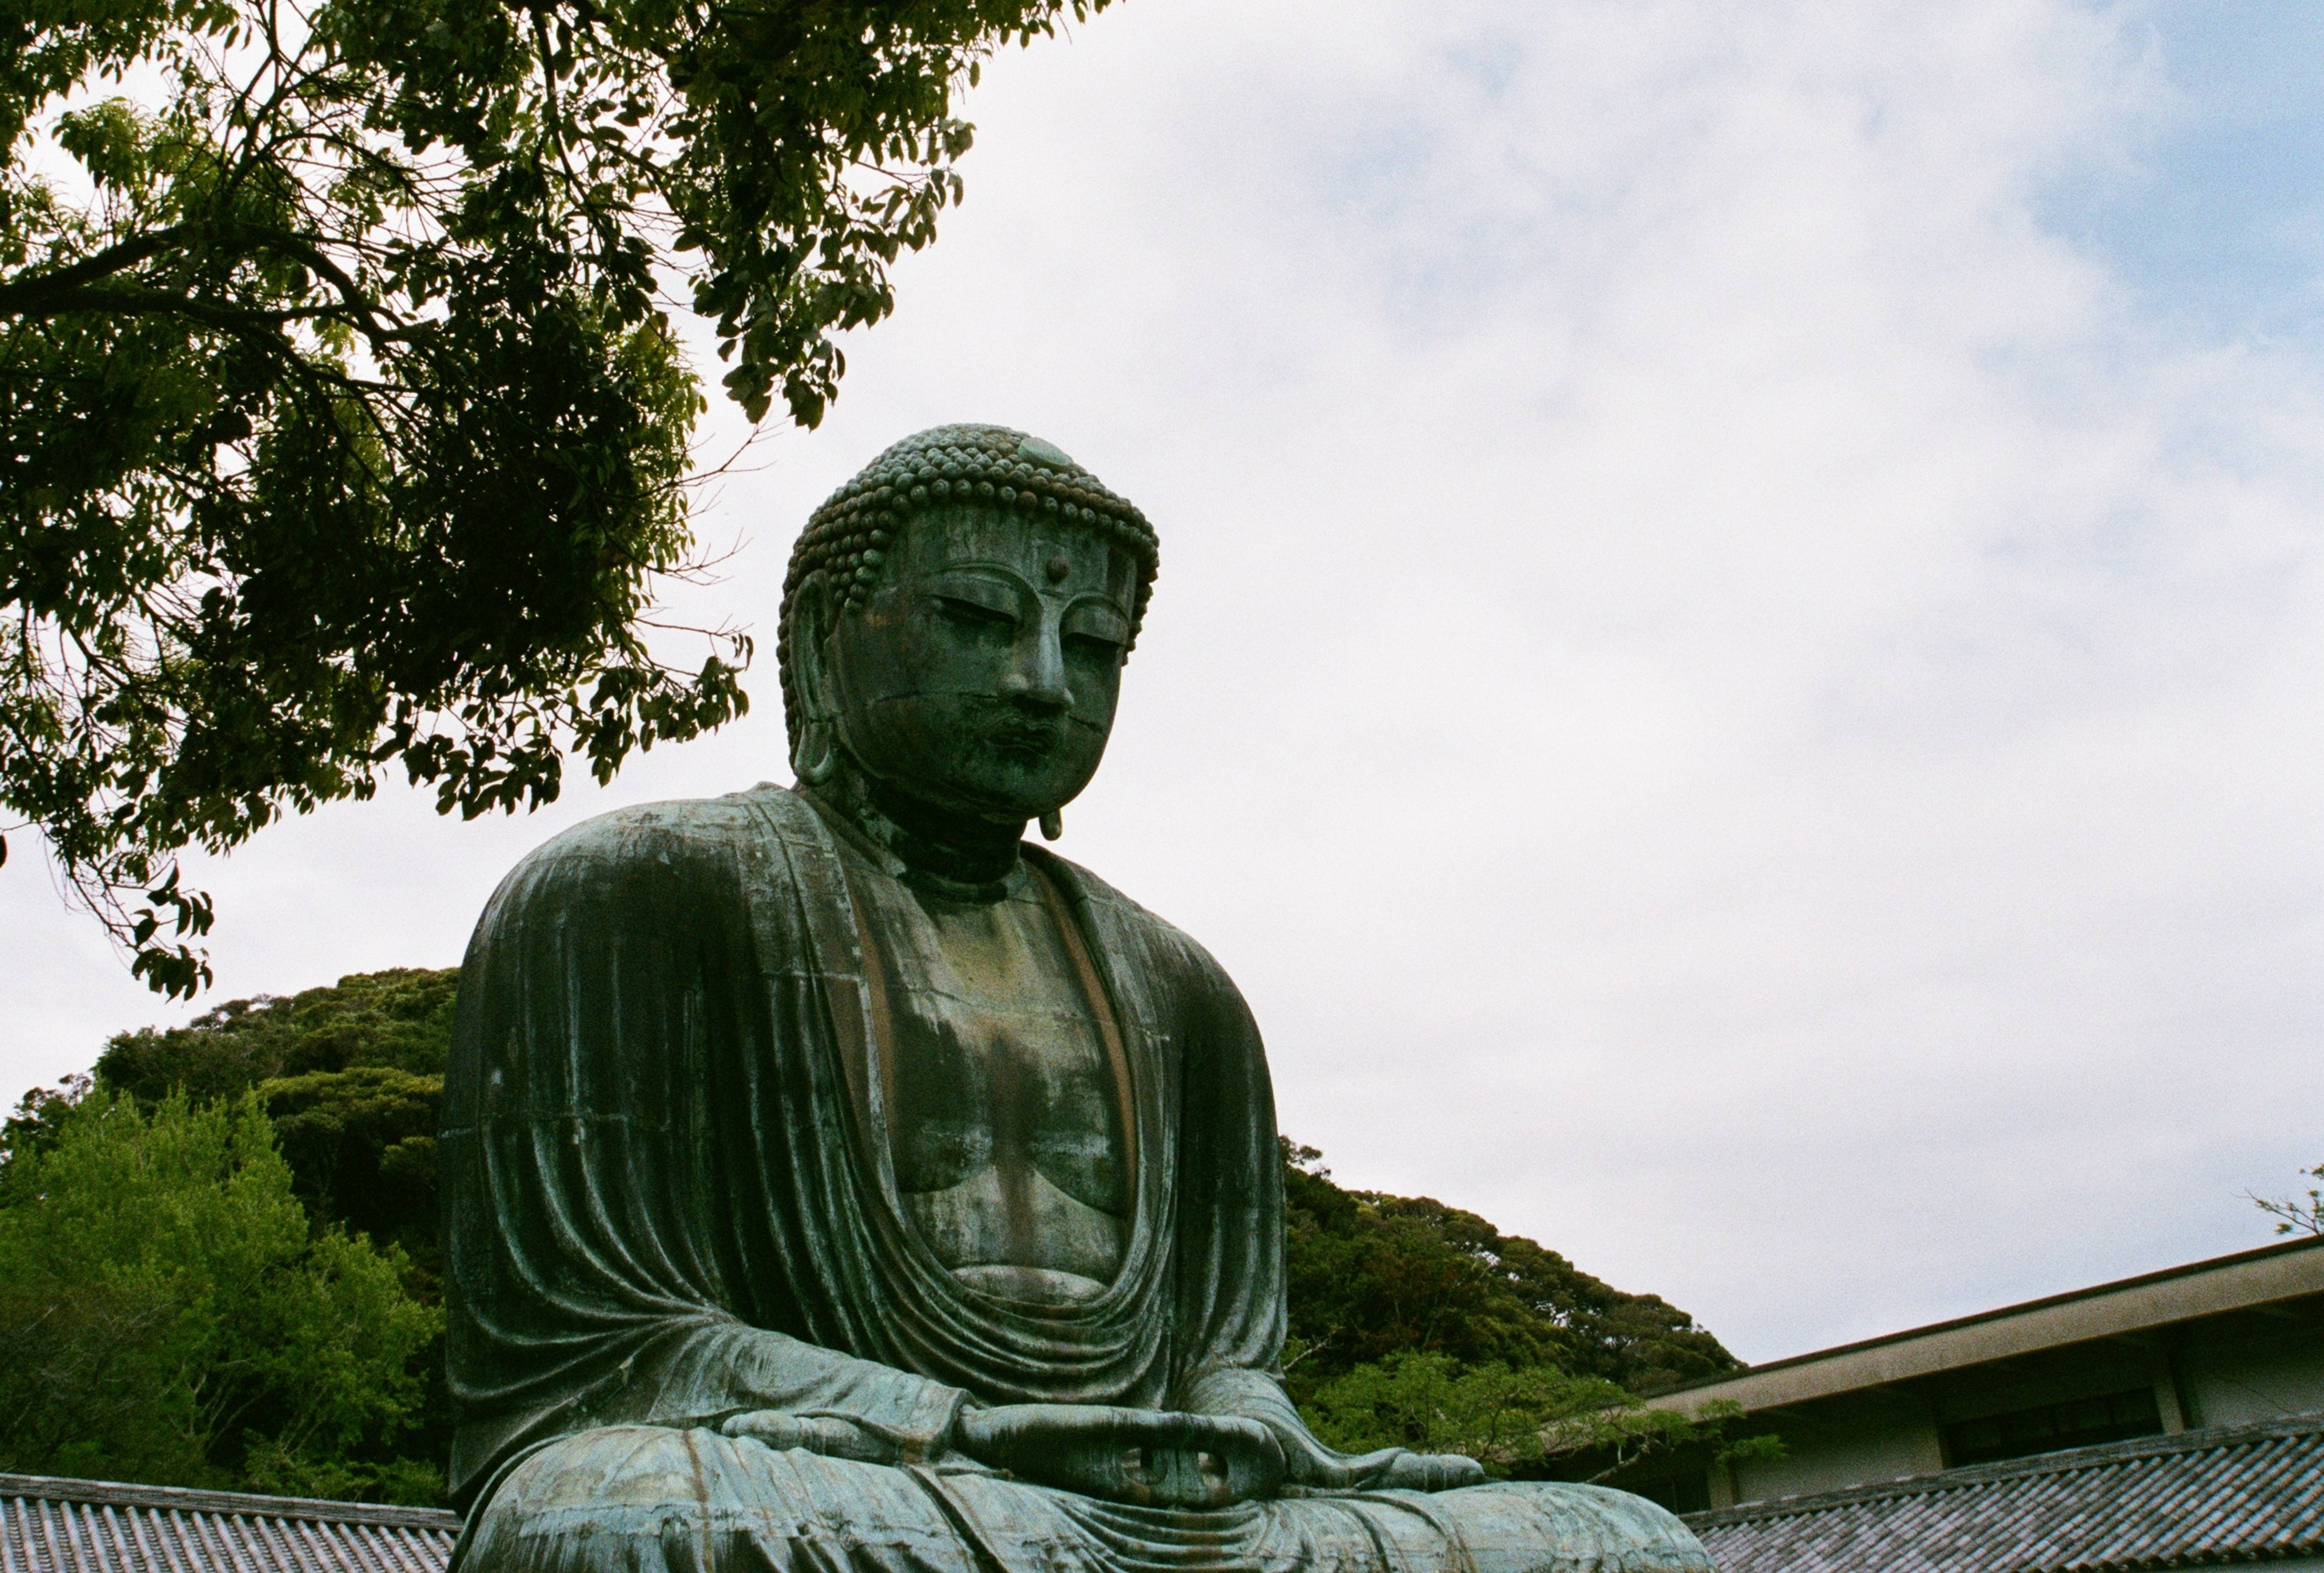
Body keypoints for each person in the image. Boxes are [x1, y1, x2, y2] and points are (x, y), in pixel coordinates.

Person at [441, 426, 1710, 1573]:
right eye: (982, 620)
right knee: (598, 1522)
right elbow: (595, 1351)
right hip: (871, 1488)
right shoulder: (633, 895)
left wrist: (1252, 1437)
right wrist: (953, 1422)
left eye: (1093, 644)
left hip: (1168, 1515)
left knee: (1627, 1545)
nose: (1045, 680)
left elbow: (1225, 1356)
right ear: (831, 629)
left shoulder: (1181, 988)